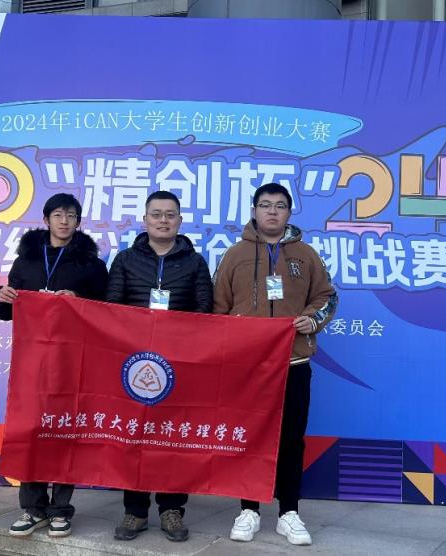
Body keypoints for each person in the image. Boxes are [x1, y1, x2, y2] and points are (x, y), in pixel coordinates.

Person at [213, 183, 337, 546]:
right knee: (248, 435)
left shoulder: (306, 255)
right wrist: (232, 334)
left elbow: (327, 296)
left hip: (293, 362)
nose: (272, 211)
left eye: (279, 206)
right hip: (247, 366)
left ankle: (289, 512)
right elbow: (218, 307)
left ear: (288, 213)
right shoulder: (234, 255)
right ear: (254, 210)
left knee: (291, 438)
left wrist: (312, 319)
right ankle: (248, 509)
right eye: (265, 205)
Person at [0, 193, 109, 538]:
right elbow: (8, 309)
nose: (64, 221)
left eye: (71, 215)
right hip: (33, 362)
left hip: (74, 362)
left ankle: (60, 509)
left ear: (78, 222)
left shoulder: (90, 264)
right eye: (58, 214)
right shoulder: (26, 260)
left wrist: (79, 302)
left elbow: (106, 310)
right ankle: (33, 508)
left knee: (65, 428)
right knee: (30, 428)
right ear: (46, 219)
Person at [106, 190, 213, 542]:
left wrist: (178, 339)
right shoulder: (125, 259)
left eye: (170, 214)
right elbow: (112, 309)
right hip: (134, 363)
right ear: (145, 220)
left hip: (179, 363)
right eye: (156, 214)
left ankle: (171, 510)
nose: (163, 220)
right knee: (133, 435)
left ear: (179, 221)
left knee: (173, 435)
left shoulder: (195, 262)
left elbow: (204, 311)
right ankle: (135, 511)